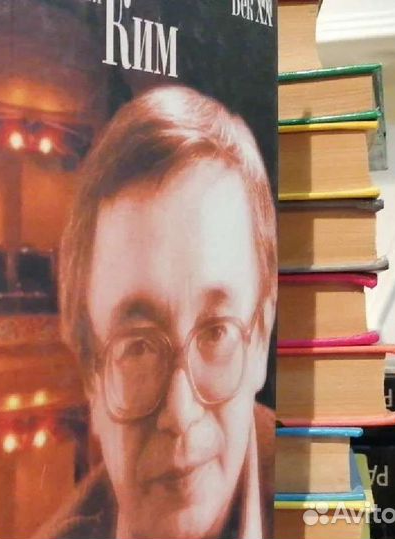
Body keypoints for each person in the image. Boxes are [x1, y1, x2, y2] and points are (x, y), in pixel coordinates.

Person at [36, 85, 277, 539]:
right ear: (91, 377)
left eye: (216, 332)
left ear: (260, 336)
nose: (180, 414)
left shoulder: (316, 483)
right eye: (138, 347)